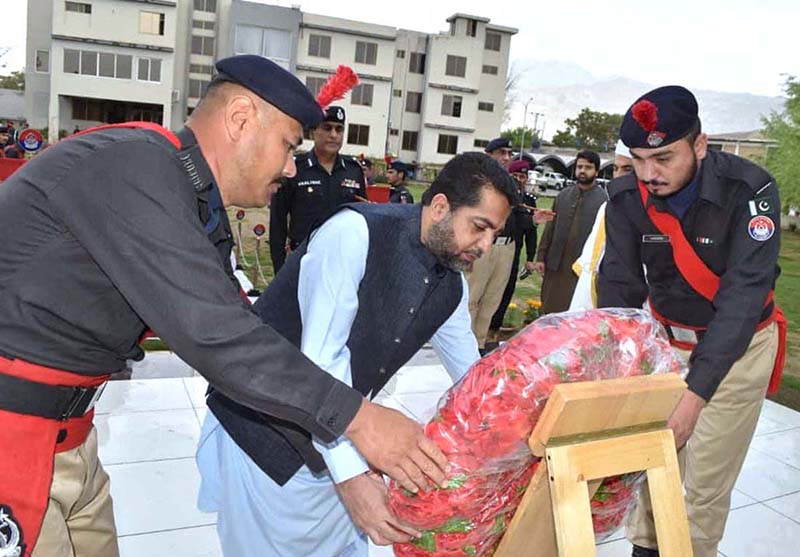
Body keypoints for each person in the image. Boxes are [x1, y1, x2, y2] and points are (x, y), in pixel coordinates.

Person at [0, 55, 446, 557]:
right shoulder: (134, 167)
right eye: (286, 145)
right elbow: (213, 335)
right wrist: (360, 419)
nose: (288, 167)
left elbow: (248, 331)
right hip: (11, 436)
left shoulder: (192, 203)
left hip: (69, 437)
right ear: (239, 119)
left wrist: (345, 466)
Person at [197, 152, 515, 556]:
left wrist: (516, 434)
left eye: (493, 233)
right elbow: (321, 364)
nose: (486, 245)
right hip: (264, 436)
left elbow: (475, 381)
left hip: (338, 437)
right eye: (479, 227)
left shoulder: (451, 287)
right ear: (439, 208)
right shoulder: (354, 234)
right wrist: (351, 477)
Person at [597, 86, 786, 557]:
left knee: (703, 483)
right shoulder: (625, 198)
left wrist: (695, 394)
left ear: (699, 145)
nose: (649, 174)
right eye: (638, 159)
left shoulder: (750, 192)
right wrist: (614, 374)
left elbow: (742, 301)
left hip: (737, 349)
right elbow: (620, 289)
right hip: (667, 344)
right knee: (652, 468)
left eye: (663, 158)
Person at [269, 105, 367, 273]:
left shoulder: (353, 170)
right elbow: (278, 223)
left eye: (339, 129)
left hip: (343, 262)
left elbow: (363, 217)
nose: (334, 135)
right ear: (314, 131)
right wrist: (280, 270)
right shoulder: (295, 169)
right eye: (327, 128)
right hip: (303, 261)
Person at [533, 150, 607, 314]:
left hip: (582, 270)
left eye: (588, 167)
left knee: (574, 314)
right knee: (549, 311)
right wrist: (541, 257)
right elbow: (550, 229)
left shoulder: (604, 201)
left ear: (596, 171)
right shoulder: (563, 196)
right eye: (579, 166)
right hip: (556, 266)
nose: (582, 171)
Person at [466, 137, 518, 353]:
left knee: (492, 299)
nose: (506, 157)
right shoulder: (478, 181)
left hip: (506, 248)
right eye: (501, 152)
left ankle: (479, 345)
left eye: (509, 153)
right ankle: (464, 345)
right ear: (490, 154)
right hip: (483, 244)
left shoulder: (512, 184)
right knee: (472, 298)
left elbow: (519, 215)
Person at [569, 140, 633, 310]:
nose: (618, 176)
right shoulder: (608, 207)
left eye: (628, 169)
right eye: (615, 169)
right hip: (597, 294)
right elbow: (592, 260)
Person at [489, 159, 544, 334]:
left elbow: (531, 231)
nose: (519, 180)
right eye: (515, 176)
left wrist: (529, 257)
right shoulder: (501, 196)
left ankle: (493, 332)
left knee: (506, 292)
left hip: (513, 250)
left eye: (522, 176)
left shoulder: (529, 200)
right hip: (493, 249)